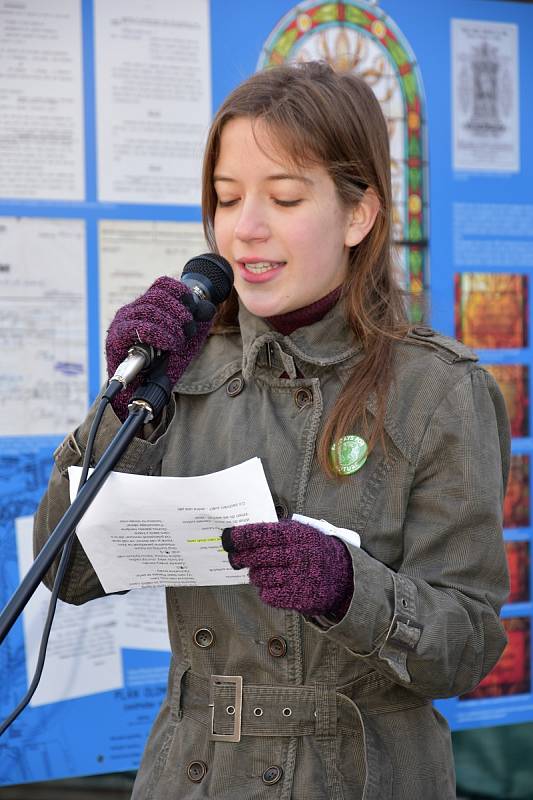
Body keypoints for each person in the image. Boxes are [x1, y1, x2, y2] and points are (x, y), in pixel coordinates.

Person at [34, 61, 510, 799]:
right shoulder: (177, 365)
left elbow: (468, 646)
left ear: (358, 215)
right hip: (190, 773)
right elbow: (65, 572)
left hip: (358, 773)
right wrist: (125, 406)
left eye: (283, 197)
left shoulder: (438, 391)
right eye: (226, 199)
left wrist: (348, 588)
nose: (244, 227)